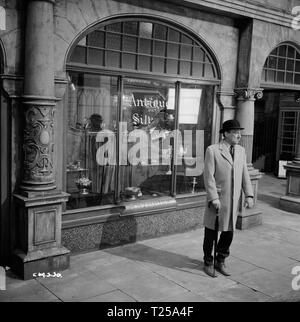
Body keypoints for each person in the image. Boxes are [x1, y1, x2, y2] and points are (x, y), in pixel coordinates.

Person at [202, 119, 254, 277]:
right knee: (211, 233)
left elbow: (245, 174)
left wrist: (249, 194)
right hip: (217, 200)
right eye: (235, 132)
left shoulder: (241, 151)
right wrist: (213, 197)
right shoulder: (213, 150)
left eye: (239, 132)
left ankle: (221, 260)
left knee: (228, 232)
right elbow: (208, 176)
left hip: (233, 201)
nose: (239, 135)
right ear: (225, 133)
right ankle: (208, 261)